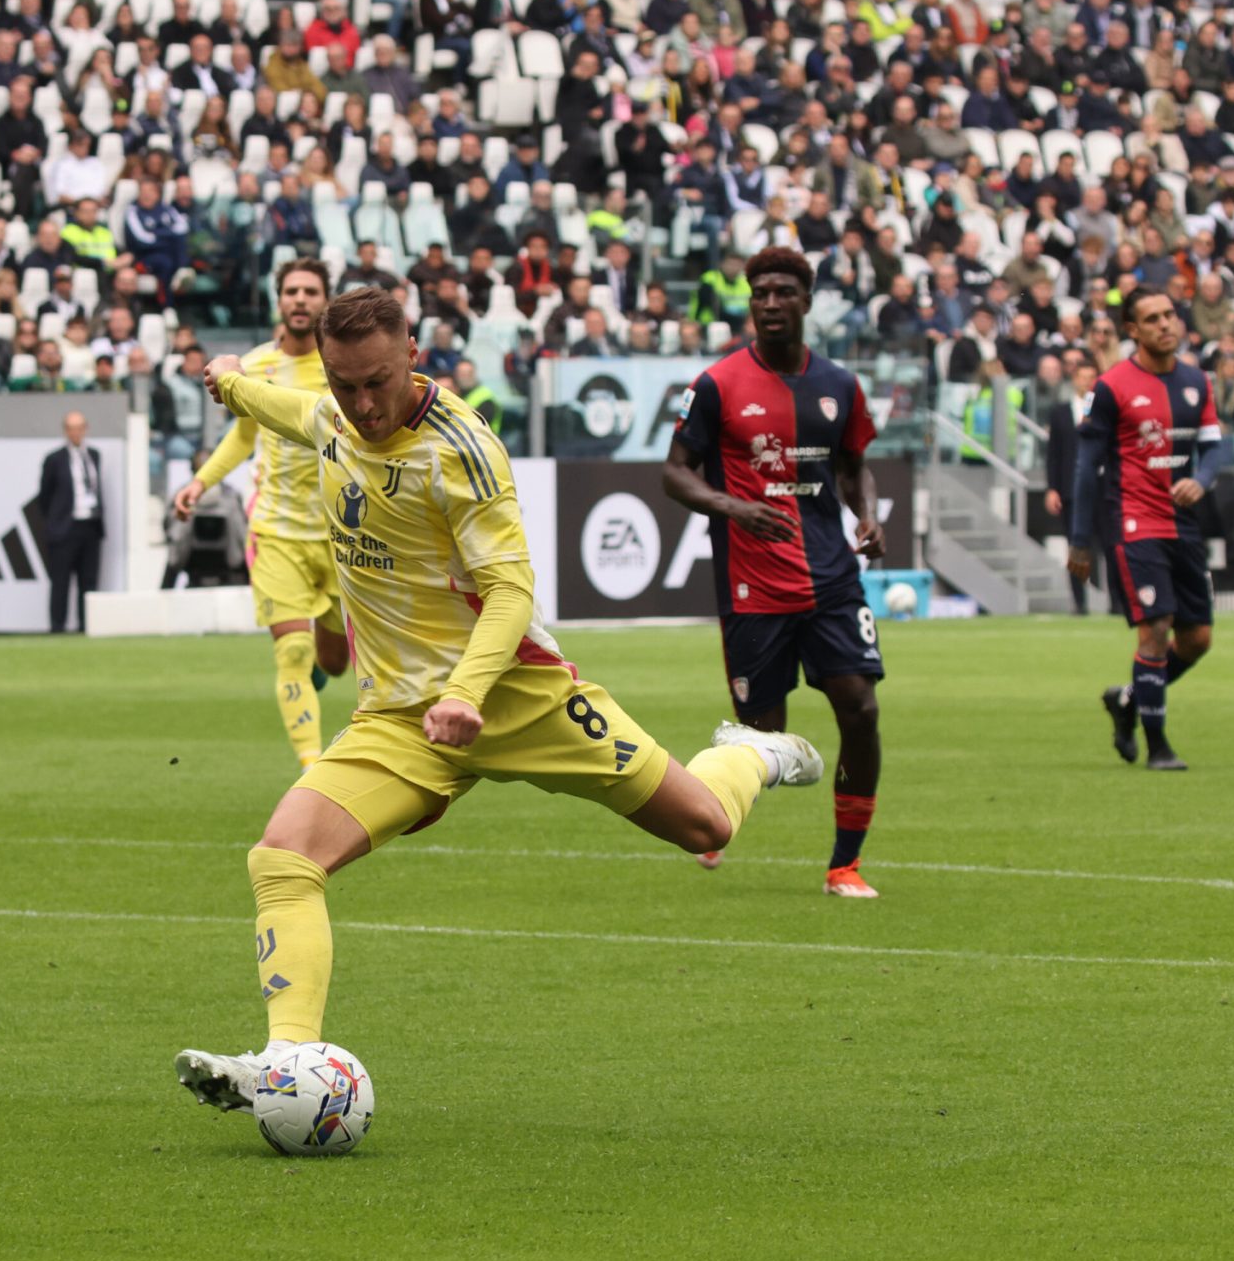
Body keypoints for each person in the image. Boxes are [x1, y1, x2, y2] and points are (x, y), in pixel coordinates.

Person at [174, 288, 821, 1115]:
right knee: (283, 858)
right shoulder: (330, 418)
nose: (362, 405)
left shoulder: (463, 450)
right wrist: (228, 381)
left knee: (705, 825)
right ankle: (287, 1060)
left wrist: (467, 691)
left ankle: (751, 751)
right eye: (344, 385)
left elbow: (511, 592)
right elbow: (286, 405)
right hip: (402, 722)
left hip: (519, 698)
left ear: (412, 352)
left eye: (376, 381)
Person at [661, 247, 889, 898]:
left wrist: (867, 516)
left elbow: (852, 467)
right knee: (761, 736)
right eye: (759, 292)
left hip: (833, 579)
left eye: (783, 291)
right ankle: (711, 808)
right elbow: (675, 471)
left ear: (807, 301)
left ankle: (845, 865)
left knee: (862, 709)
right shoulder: (717, 384)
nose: (769, 302)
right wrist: (735, 508)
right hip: (754, 584)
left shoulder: (840, 385)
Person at [167, 259, 350, 767]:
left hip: (341, 536)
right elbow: (243, 436)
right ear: (279, 300)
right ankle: (312, 767)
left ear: (324, 301)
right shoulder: (254, 366)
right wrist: (202, 481)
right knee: (291, 652)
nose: (299, 299)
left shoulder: (342, 366)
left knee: (334, 663)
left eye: (310, 291)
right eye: (291, 290)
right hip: (275, 531)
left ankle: (317, 674)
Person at [1069, 290, 1222, 772]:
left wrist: (1202, 479)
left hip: (1183, 526)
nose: (1164, 325)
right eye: (1151, 319)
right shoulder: (1112, 387)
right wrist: (1079, 539)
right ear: (1132, 331)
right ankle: (1159, 748)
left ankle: (1129, 700)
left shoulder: (1197, 381)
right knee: (1155, 630)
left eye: (1170, 315)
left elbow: (1217, 448)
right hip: (1134, 523)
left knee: (1197, 639)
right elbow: (1086, 465)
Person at [38, 410, 105, 633]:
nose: (76, 432)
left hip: (90, 526)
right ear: (66, 431)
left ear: (85, 429)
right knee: (61, 581)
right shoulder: (54, 459)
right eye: (71, 428)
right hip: (64, 529)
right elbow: (45, 497)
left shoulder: (94, 455)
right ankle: (57, 626)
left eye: (79, 427)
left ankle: (86, 625)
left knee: (89, 580)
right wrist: (55, 522)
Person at [1042, 356, 1099, 615]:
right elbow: (1054, 453)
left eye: (1091, 378)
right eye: (1082, 377)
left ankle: (1117, 603)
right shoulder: (1061, 412)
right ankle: (1080, 604)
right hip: (1071, 490)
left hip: (1101, 488)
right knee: (1076, 548)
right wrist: (1052, 487)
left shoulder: (1106, 412)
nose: (1086, 382)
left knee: (1109, 546)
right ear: (1074, 380)